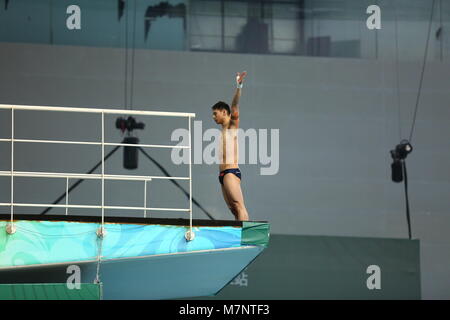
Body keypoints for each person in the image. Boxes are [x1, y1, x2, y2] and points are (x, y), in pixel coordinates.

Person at [211, 71, 250, 221]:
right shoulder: (222, 131)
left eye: (215, 114)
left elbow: (234, 106)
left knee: (239, 206)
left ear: (224, 112)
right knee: (234, 210)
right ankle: (238, 236)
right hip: (222, 175)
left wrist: (239, 86)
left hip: (231, 172)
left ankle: (245, 237)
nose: (213, 117)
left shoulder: (231, 126)